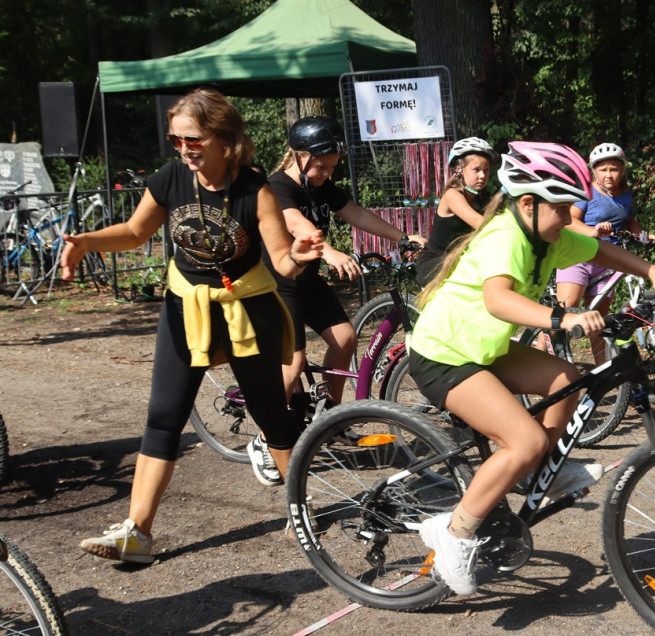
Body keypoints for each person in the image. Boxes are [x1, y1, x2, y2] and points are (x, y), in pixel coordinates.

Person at [61, 88, 324, 564]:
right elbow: (136, 232)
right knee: (163, 417)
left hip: (247, 310)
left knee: (270, 413)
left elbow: (281, 260)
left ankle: (300, 511)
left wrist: (300, 258)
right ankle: (137, 532)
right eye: (177, 140)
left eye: (194, 141)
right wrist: (87, 241)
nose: (184, 150)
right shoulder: (170, 180)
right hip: (187, 306)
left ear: (226, 140)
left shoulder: (255, 190)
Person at [407, 141, 655, 595]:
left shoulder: (545, 231)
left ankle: (536, 470)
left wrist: (651, 271)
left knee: (567, 379)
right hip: (444, 353)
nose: (568, 217)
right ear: (528, 203)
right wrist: (563, 317)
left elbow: (599, 251)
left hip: (485, 348)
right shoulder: (505, 235)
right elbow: (498, 299)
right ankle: (453, 533)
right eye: (562, 208)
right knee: (525, 439)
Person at [245, 116, 426, 487]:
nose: (326, 174)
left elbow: (355, 213)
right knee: (292, 365)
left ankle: (330, 419)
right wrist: (329, 252)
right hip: (278, 285)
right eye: (321, 166)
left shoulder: (321, 186)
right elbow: (297, 226)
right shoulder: (277, 187)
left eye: (331, 168)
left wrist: (403, 237)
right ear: (298, 156)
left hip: (308, 281)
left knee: (344, 340)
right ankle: (264, 440)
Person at [554, 143, 655, 364]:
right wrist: (592, 231)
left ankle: (603, 367)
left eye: (614, 169)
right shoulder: (587, 192)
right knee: (565, 312)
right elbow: (568, 220)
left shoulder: (625, 194)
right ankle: (543, 349)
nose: (609, 174)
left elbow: (629, 221)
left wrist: (644, 236)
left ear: (623, 170)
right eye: (603, 169)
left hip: (606, 262)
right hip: (577, 257)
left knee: (600, 320)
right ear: (594, 171)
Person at [414, 137, 497, 286]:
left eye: (486, 170)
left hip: (457, 260)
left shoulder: (482, 198)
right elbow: (481, 223)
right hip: (434, 263)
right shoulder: (452, 194)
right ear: (459, 169)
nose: (482, 175)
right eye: (476, 170)